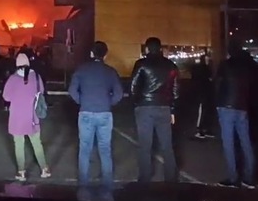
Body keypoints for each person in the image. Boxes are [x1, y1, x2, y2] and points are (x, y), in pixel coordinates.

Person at [68, 41, 123, 187]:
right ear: (105, 54)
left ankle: (83, 182)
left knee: (84, 149)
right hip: (105, 113)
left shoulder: (81, 70)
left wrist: (83, 101)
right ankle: (107, 182)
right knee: (105, 149)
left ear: (91, 53)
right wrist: (108, 102)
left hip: (86, 112)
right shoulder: (110, 71)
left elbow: (72, 91)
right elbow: (118, 93)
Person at [130, 37, 179, 183]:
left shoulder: (141, 64)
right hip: (164, 107)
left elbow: (133, 87)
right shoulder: (171, 66)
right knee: (167, 145)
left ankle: (145, 178)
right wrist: (173, 110)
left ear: (146, 49)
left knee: (145, 145)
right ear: (161, 49)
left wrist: (137, 103)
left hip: (145, 107)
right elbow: (176, 91)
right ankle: (171, 178)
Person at [215, 39, 258, 189]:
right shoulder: (248, 67)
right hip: (243, 107)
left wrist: (217, 103)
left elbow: (217, 84)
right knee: (245, 142)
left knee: (228, 143)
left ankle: (233, 177)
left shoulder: (225, 65)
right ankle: (249, 178)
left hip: (226, 106)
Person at [2, 53, 51, 181]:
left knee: (19, 144)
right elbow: (41, 91)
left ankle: (21, 172)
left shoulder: (13, 79)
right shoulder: (36, 77)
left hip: (17, 117)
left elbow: (6, 96)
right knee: (36, 143)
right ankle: (44, 169)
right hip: (32, 116)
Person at [191, 55, 215, 139]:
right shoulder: (204, 68)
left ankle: (203, 129)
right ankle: (200, 129)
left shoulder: (201, 68)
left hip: (203, 92)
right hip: (204, 93)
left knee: (204, 111)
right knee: (203, 111)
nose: (208, 61)